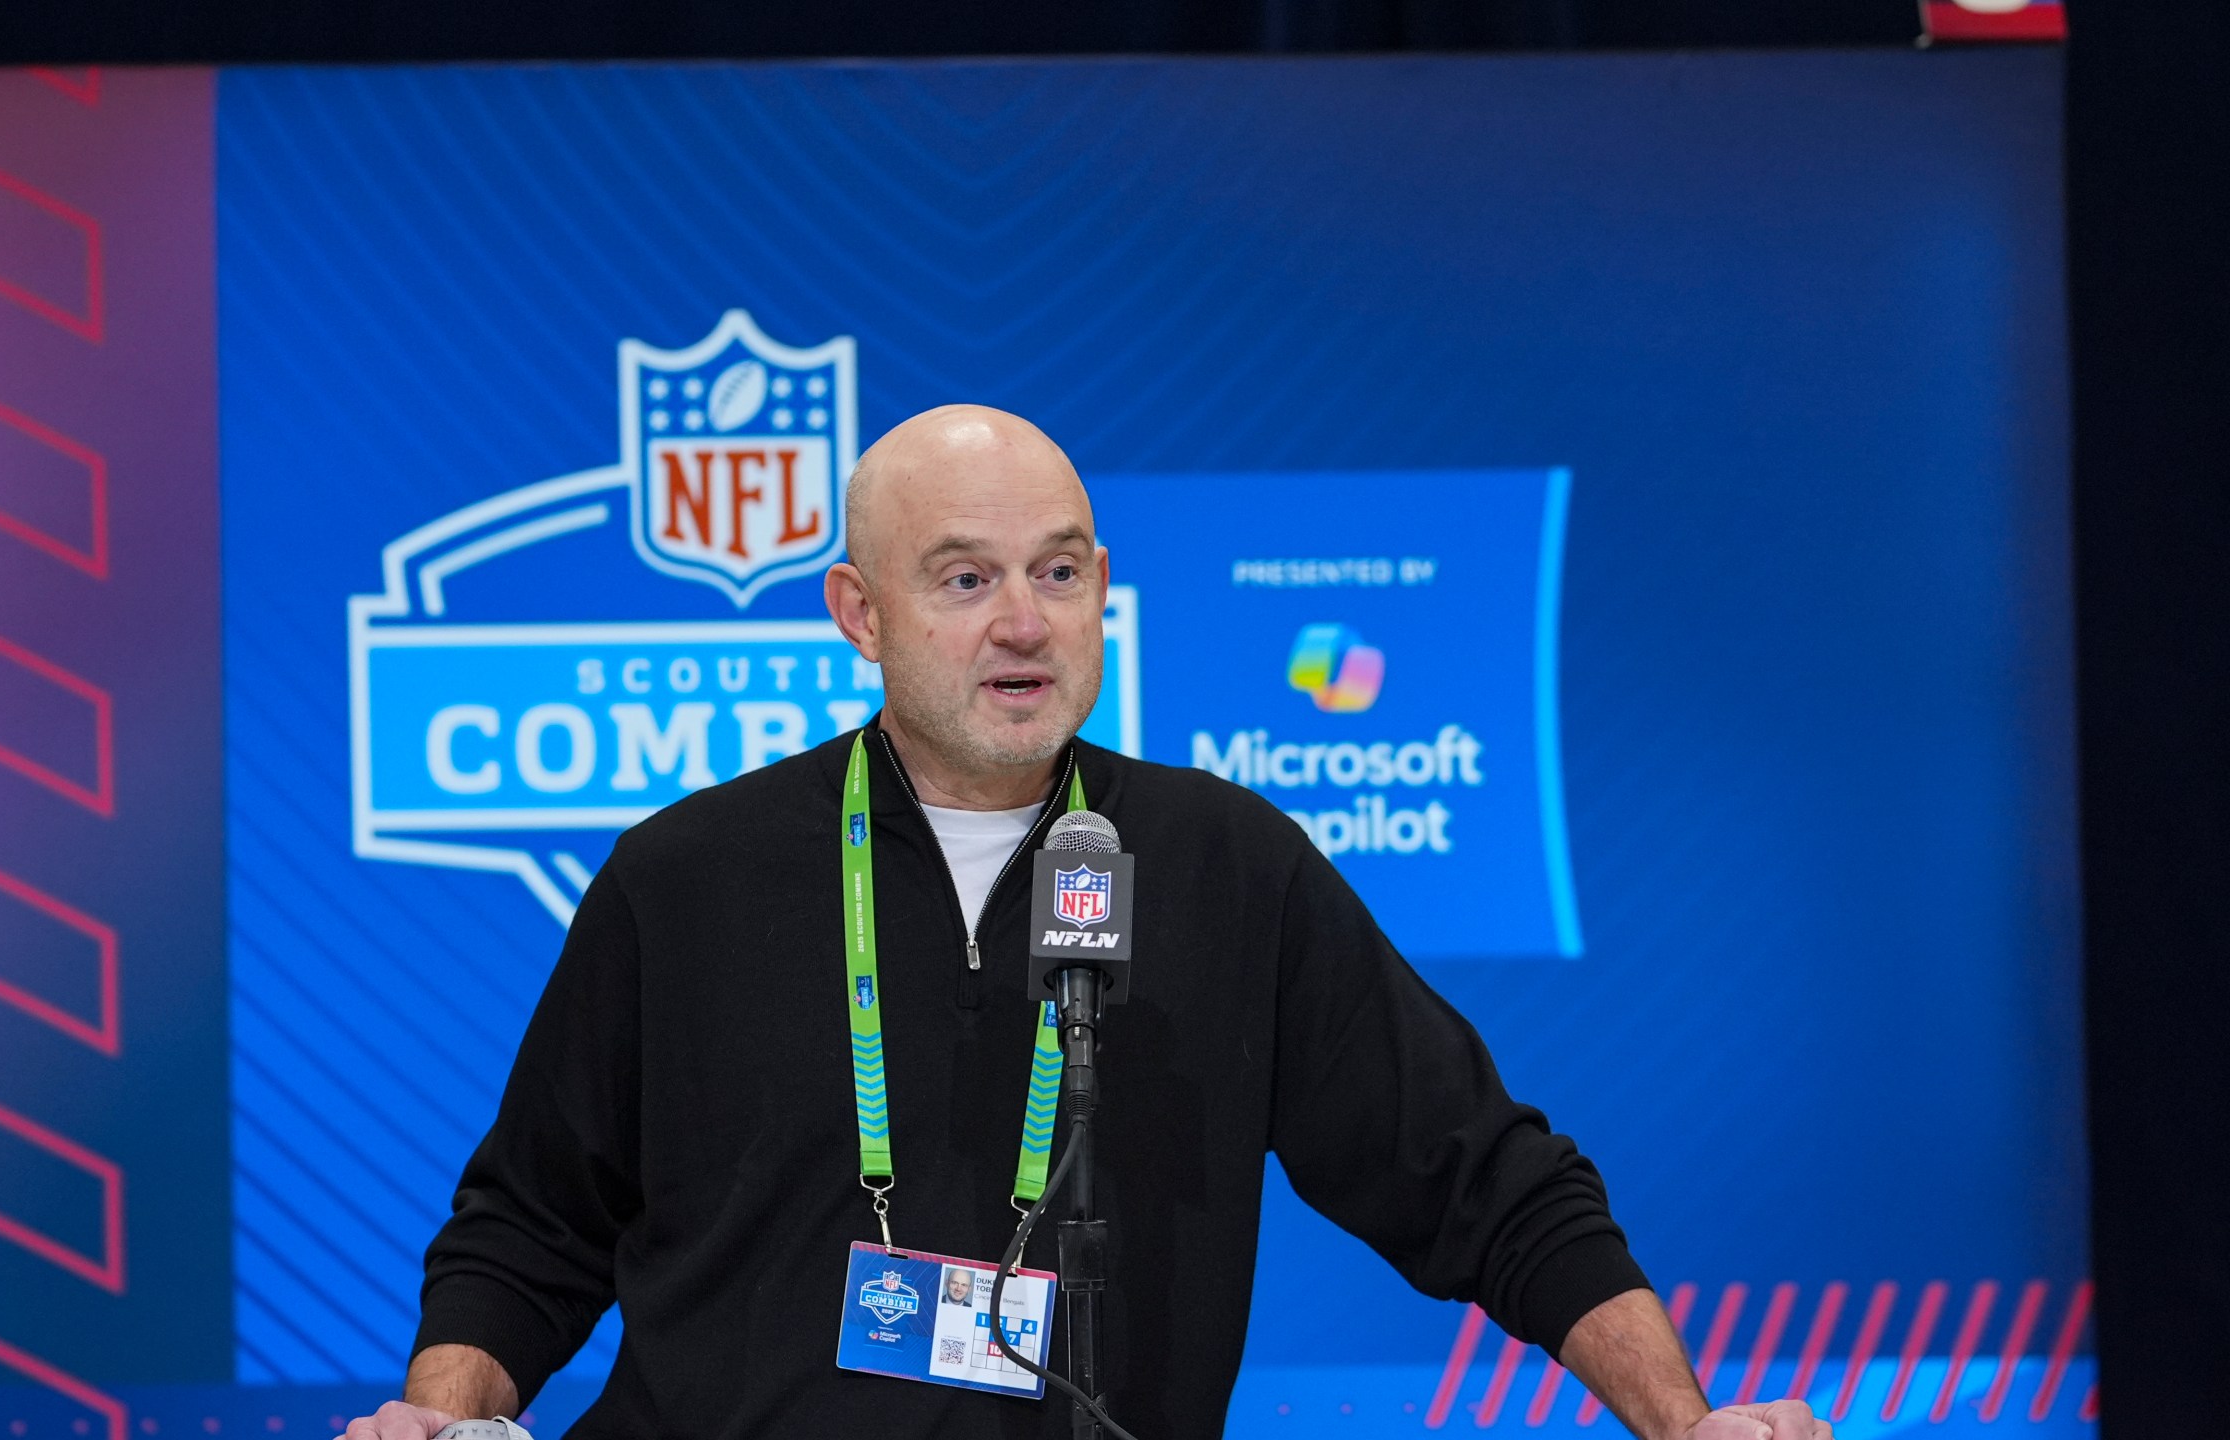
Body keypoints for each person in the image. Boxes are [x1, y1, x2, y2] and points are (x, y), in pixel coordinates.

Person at [341, 406, 1832, 1440]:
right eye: (966, 579)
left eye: (1060, 573)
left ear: (1105, 591)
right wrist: (446, 1406)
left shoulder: (1222, 864)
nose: (1025, 622)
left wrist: (1685, 1417)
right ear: (856, 613)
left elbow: (1485, 1182)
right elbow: (530, 1226)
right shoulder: (686, 876)